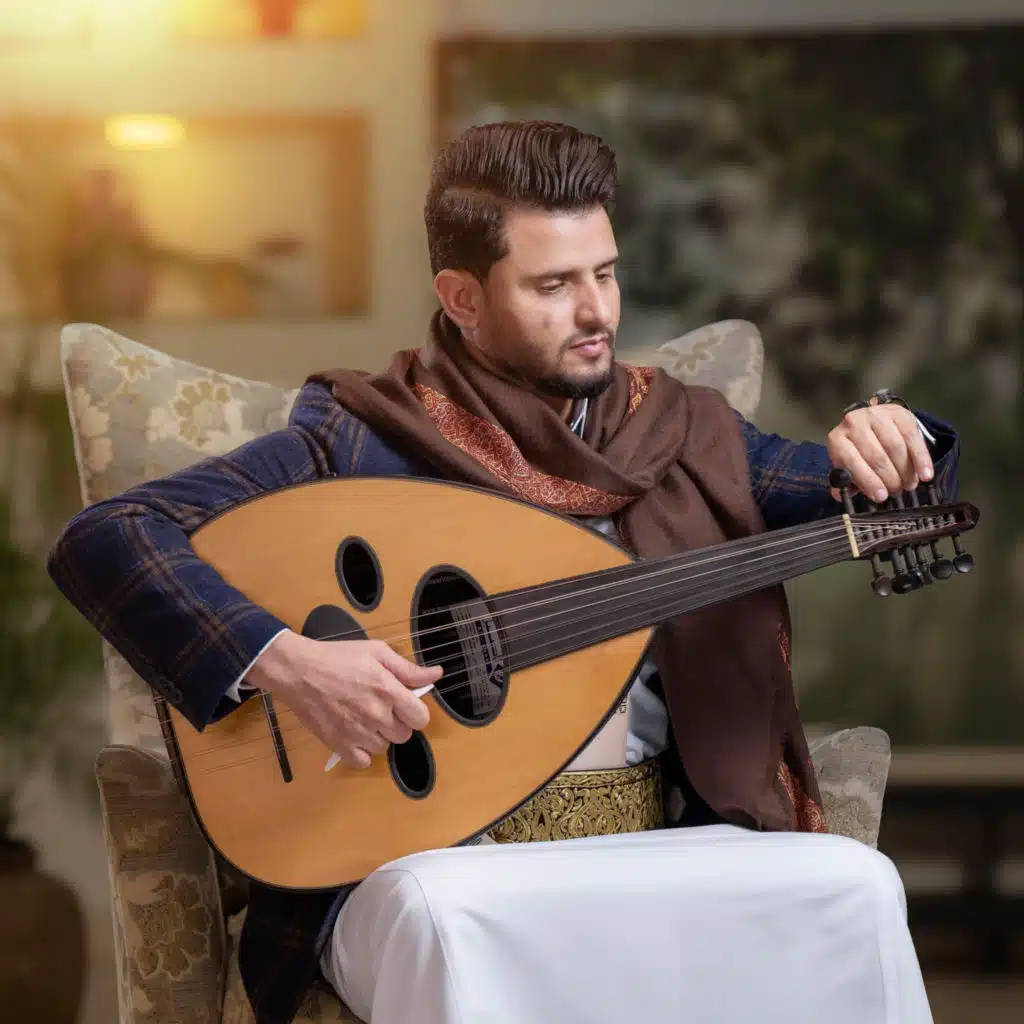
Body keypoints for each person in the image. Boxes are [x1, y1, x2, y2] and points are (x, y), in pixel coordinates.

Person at [48, 121, 958, 1024]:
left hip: (650, 844)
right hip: (424, 861)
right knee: (446, 920)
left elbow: (876, 496)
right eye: (554, 286)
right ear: (463, 298)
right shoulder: (361, 438)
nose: (598, 313)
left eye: (605, 274)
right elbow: (110, 537)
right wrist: (291, 662)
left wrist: (895, 442)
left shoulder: (683, 435)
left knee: (855, 884)